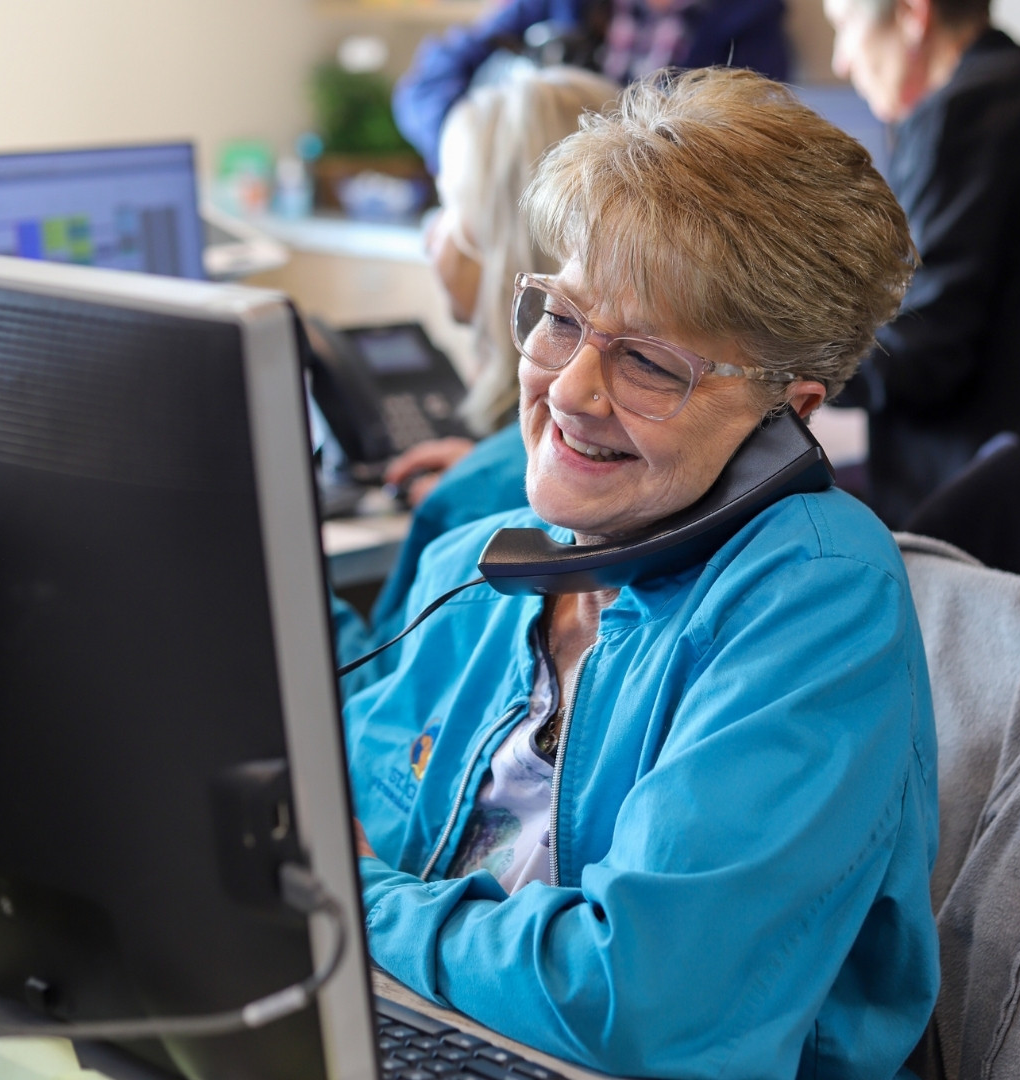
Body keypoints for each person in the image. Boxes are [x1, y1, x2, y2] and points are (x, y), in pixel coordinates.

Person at [345, 68, 939, 1078]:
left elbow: (645, 1004)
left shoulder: (817, 598)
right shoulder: (479, 565)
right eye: (562, 320)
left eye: (652, 363)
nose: (571, 391)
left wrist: (357, 907)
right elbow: (330, 815)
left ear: (785, 411)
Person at [332, 66, 619, 678]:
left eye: (446, 203)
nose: (430, 235)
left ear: (499, 243)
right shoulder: (501, 472)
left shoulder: (480, 499)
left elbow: (368, 698)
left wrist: (268, 563)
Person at [823, 0, 1020, 533]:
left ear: (913, 15)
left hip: (986, 516)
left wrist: (783, 363)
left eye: (845, 26)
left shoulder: (965, 111)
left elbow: (924, 352)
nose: (842, 60)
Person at [391, 0, 791, 174]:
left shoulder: (751, 23)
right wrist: (469, 162)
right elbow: (426, 86)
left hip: (651, 235)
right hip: (531, 206)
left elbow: (745, 154)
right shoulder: (558, 4)